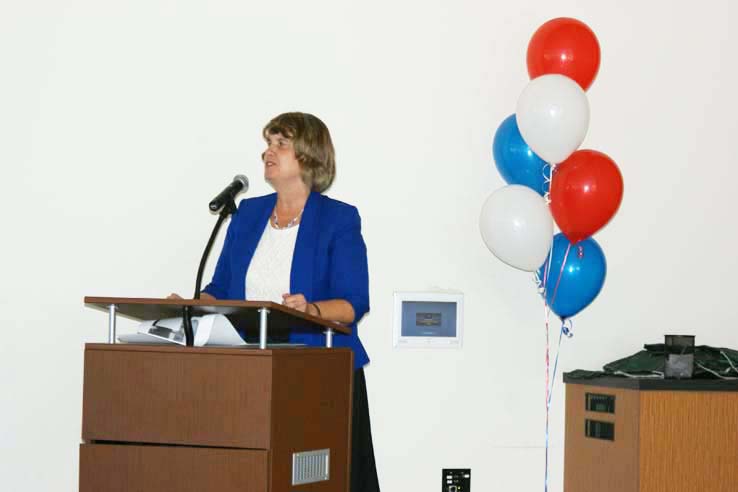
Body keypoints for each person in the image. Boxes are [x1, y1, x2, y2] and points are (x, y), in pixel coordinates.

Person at [171, 112, 379, 492]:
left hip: (319, 373)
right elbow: (221, 288)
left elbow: (353, 302)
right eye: (268, 143)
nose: (269, 151)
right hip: (251, 375)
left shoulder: (338, 219)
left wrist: (311, 310)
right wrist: (189, 306)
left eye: (281, 143)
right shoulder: (248, 214)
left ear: (309, 155)